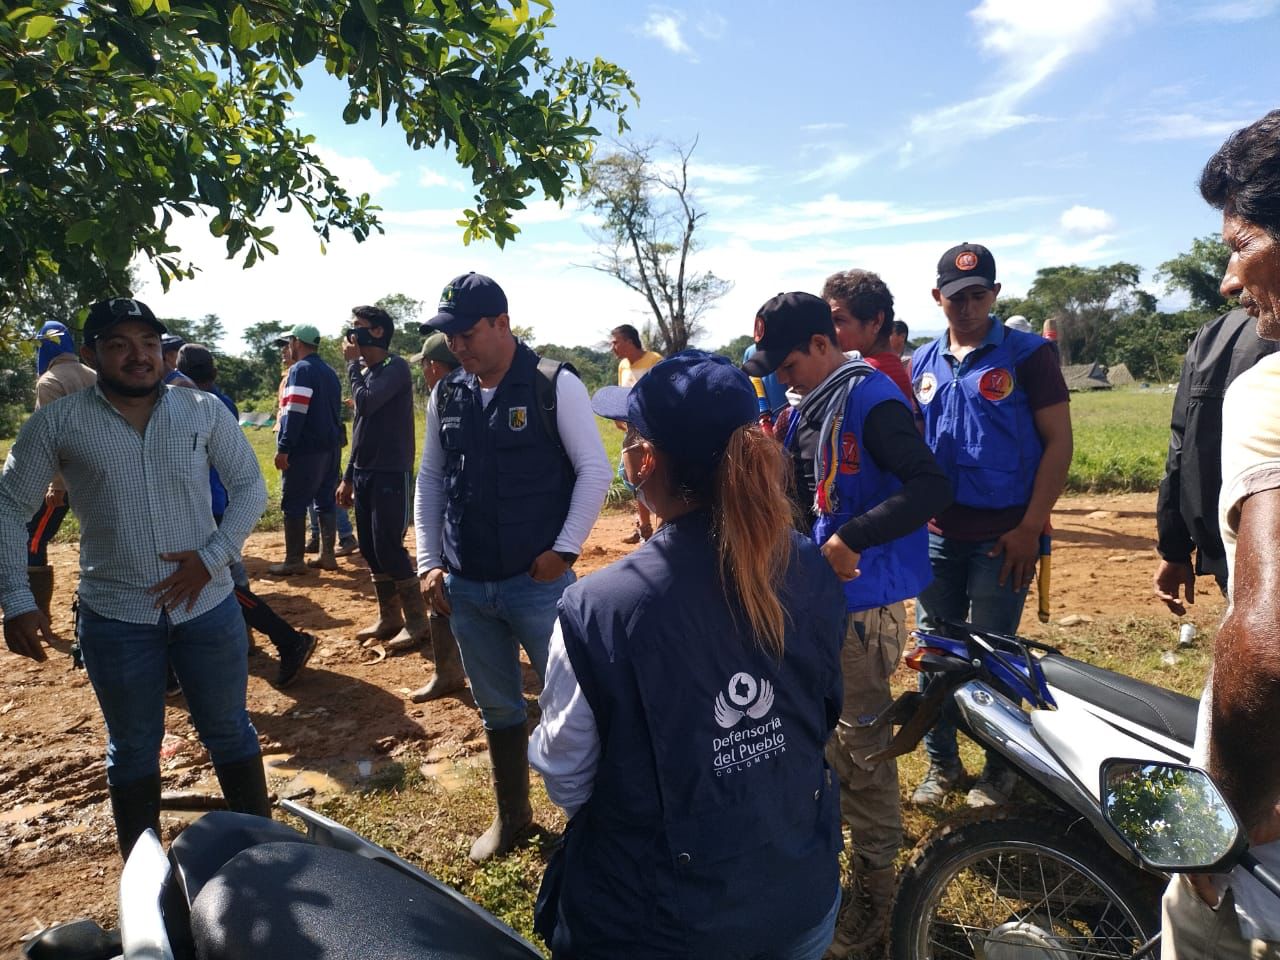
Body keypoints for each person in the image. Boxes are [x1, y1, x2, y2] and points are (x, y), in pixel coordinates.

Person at [529, 350, 847, 959]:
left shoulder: (600, 609)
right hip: (800, 898)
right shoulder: (809, 564)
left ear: (644, 462)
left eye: (629, 439)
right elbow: (821, 711)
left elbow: (567, 778)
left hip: (657, 929)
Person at [0, 298, 271, 858]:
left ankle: (265, 856)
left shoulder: (201, 411)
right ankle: (144, 878)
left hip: (209, 606)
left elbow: (250, 487)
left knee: (229, 730)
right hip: (117, 617)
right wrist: (14, 598)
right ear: (95, 352)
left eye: (148, 343)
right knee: (133, 748)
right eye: (120, 343)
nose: (138, 355)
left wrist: (213, 555)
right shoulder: (59, 422)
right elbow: (8, 506)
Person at [744, 292, 950, 956]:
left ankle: (878, 905)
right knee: (829, 748)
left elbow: (928, 487)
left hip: (866, 609)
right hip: (824, 604)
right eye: (773, 365)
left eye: (791, 360)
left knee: (861, 756)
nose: (782, 374)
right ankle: (844, 881)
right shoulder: (809, 407)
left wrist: (854, 538)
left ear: (824, 344)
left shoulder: (868, 400)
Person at [415, 272, 611, 862]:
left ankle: (598, 822)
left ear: (502, 323)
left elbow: (594, 471)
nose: (459, 347)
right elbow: (430, 481)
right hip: (467, 585)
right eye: (450, 338)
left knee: (578, 702)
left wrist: (565, 551)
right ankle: (514, 817)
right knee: (498, 706)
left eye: (468, 333)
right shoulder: (446, 393)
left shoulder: (553, 383)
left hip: (538, 585)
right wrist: (428, 561)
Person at [1159, 109, 1280, 960]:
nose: (1231, 280)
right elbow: (1177, 441)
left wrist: (1217, 836)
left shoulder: (1272, 389)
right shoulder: (1218, 343)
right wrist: (1178, 542)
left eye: (1241, 245)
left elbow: (1268, 645)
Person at [909, 243, 1073, 808]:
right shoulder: (922, 364)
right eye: (956, 297)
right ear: (938, 298)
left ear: (996, 295)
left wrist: (1031, 527)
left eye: (979, 295)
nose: (968, 307)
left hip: (1006, 537)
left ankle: (1000, 771)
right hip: (936, 537)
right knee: (935, 652)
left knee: (996, 655)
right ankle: (942, 765)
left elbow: (1059, 444)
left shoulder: (1029, 356)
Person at [177, 344, 316, 688]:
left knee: (223, 584)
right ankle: (256, 640)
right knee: (226, 581)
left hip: (208, 508)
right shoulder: (219, 401)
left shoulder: (197, 405)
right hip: (213, 505)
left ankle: (287, 640)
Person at [1152, 307, 1277, 613]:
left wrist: (1175, 549)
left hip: (1227, 542)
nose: (1228, 285)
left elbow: (1179, 449)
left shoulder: (1214, 335)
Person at [335, 305, 427, 652]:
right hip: (364, 472)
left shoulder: (395, 367)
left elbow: (368, 404)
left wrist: (350, 367)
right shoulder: (366, 371)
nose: (351, 332)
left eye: (357, 326)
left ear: (376, 332)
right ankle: (390, 617)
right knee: (371, 549)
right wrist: (347, 476)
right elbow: (361, 428)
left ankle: (418, 622)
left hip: (391, 471)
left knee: (389, 545)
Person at [406, 331, 466, 703]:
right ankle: (448, 671)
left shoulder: (458, 393)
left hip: (460, 516)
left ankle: (451, 670)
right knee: (437, 584)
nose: (425, 373)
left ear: (434, 366)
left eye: (426, 366)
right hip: (445, 509)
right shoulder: (440, 399)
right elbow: (431, 471)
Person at [24, 321, 97, 622]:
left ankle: (39, 613)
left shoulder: (49, 381)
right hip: (98, 474)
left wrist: (57, 485)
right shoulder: (94, 375)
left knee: (33, 540)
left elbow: (51, 438)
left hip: (65, 479)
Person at [271, 323, 342, 576]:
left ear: (296, 342)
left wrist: (284, 447)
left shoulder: (300, 370)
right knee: (325, 501)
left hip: (306, 449)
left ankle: (294, 560)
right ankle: (328, 555)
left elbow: (295, 411)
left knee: (294, 503)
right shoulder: (329, 372)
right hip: (331, 448)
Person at [609, 324, 663, 543]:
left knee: (656, 478)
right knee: (636, 478)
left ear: (629, 342)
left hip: (652, 430)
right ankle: (645, 529)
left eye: (615, 342)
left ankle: (661, 531)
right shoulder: (623, 365)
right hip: (631, 431)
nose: (613, 347)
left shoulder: (654, 361)